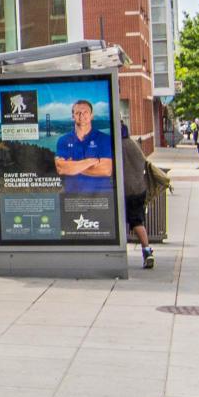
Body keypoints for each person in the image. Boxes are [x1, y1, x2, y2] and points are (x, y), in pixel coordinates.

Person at [53, 99, 115, 195]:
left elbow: (106, 170)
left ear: (92, 115)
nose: (82, 115)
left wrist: (72, 166)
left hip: (100, 200)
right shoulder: (63, 140)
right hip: (71, 200)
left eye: (85, 112)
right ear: (73, 116)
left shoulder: (105, 139)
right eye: (77, 113)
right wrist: (91, 161)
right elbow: (61, 168)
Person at [121, 124, 154, 269]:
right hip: (139, 189)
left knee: (128, 222)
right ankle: (147, 250)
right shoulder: (133, 145)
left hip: (126, 191)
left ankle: (144, 251)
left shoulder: (118, 147)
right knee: (137, 221)